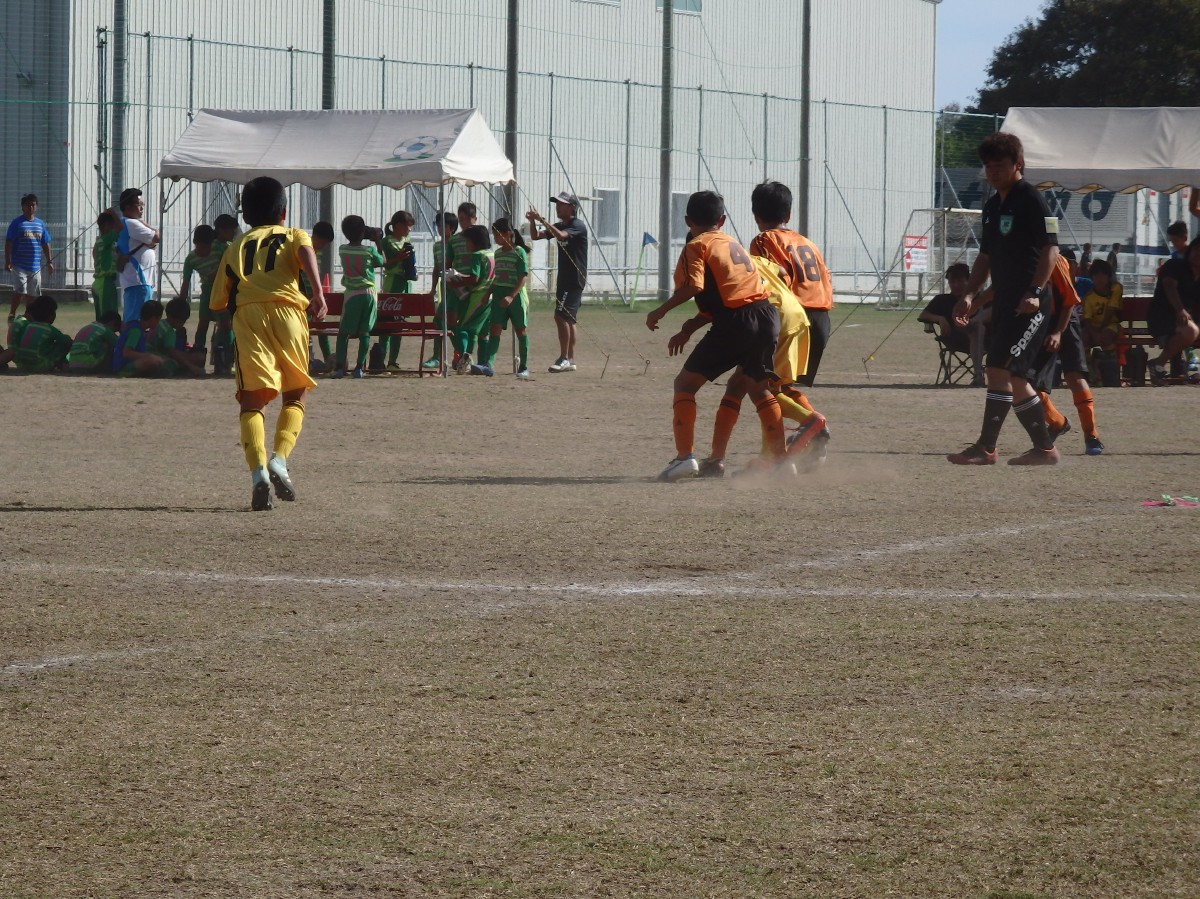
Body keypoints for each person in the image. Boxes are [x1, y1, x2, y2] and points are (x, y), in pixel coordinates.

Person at [645, 190, 786, 481]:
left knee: (685, 384)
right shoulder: (732, 242)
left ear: (687, 221)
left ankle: (684, 458)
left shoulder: (697, 245)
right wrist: (688, 328)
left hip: (737, 322)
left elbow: (693, 287)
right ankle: (779, 461)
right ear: (722, 220)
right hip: (766, 315)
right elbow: (728, 297)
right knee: (757, 389)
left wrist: (659, 311)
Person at [209, 175, 327, 511]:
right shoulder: (293, 234)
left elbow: (218, 302)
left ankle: (258, 472)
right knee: (296, 393)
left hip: (249, 316)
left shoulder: (236, 246)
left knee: (252, 401)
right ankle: (280, 460)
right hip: (289, 312)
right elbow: (305, 250)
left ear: (245, 216)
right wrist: (317, 292)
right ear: (283, 213)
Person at [947, 132, 1060, 466]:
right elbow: (985, 257)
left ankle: (986, 447)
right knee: (1015, 378)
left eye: (999, 165)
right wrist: (971, 295)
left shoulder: (1032, 199)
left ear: (1018, 164)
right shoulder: (993, 206)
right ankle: (1045, 449)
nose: (992, 171)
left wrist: (1035, 292)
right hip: (1006, 301)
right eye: (988, 166)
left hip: (1031, 304)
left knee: (998, 368)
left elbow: (1051, 250)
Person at [696, 254, 819, 478]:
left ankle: (810, 421)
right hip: (793, 312)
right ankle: (765, 459)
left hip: (769, 318)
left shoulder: (717, 264)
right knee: (748, 386)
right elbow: (783, 271)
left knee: (760, 390)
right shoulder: (749, 257)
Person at [748, 181, 835, 413]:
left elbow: (774, 281)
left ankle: (811, 422)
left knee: (764, 387)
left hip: (794, 319)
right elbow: (827, 279)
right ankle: (812, 424)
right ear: (788, 215)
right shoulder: (809, 244)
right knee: (783, 385)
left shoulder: (763, 241)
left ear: (756, 216)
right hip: (821, 319)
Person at [1035, 254, 1104, 456]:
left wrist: (1058, 332)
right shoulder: (1022, 258)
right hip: (1038, 322)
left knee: (1075, 376)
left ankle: (1091, 436)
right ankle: (1058, 423)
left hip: (1065, 319)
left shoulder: (1054, 259)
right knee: (1028, 385)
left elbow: (1069, 299)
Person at [528, 191, 588, 373]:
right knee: (569, 319)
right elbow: (536, 236)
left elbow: (561, 236)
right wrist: (533, 221)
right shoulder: (559, 225)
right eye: (557, 203)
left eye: (562, 204)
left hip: (574, 279)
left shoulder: (577, 226)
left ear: (572, 207)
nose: (558, 207)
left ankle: (564, 358)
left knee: (560, 316)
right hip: (564, 278)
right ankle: (571, 360)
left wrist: (542, 219)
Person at [471, 217, 531, 379]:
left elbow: (522, 277)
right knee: (494, 329)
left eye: (498, 234)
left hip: (515, 296)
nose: (495, 238)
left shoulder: (519, 252)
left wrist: (511, 296)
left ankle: (524, 367)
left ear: (507, 234)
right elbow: (497, 278)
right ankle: (488, 365)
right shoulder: (497, 254)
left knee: (520, 330)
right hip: (498, 295)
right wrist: (487, 294)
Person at [919, 261, 989, 387]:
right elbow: (923, 315)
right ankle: (978, 374)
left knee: (978, 327)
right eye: (952, 282)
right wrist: (940, 318)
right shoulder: (942, 300)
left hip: (988, 339)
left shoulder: (982, 298)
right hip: (955, 339)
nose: (956, 285)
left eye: (960, 281)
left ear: (969, 281)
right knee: (978, 329)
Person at [333, 215, 385, 379]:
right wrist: (377, 241)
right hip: (368, 294)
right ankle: (359, 368)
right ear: (363, 232)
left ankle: (339, 367)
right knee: (364, 332)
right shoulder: (369, 251)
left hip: (351, 294)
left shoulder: (342, 249)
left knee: (343, 333)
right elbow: (382, 261)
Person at [1146, 235, 1200, 385]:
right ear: (1190, 251)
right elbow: (1169, 286)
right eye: (1196, 249)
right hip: (1162, 318)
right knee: (1191, 331)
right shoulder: (1174, 265)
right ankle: (1158, 364)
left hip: (1184, 321)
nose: (1198, 253)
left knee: (1192, 329)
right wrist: (1180, 310)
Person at [448, 224, 494, 373]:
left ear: (475, 242)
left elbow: (474, 278)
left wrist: (456, 280)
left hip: (478, 297)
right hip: (491, 296)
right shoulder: (491, 254)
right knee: (481, 332)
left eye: (467, 241)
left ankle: (464, 357)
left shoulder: (477, 255)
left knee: (463, 328)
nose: (466, 245)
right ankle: (483, 363)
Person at [377, 210, 417, 371]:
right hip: (392, 285)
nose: (410, 230)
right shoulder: (386, 241)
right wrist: (397, 258)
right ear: (398, 226)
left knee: (399, 325)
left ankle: (393, 361)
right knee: (386, 325)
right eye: (408, 226)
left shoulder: (407, 240)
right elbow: (384, 263)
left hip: (405, 285)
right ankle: (380, 360)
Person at [5, 194, 54, 323]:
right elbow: (9, 242)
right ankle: (12, 313)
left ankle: (28, 317)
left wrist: (49, 261)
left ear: (36, 207)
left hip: (35, 266)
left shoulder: (40, 224)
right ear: (23, 207)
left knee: (33, 294)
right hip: (19, 265)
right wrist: (7, 261)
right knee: (20, 290)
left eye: (33, 205)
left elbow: (45, 243)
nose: (31, 207)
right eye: (28, 205)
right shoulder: (17, 223)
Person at [114, 187, 159, 326]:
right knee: (136, 321)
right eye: (138, 205)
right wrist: (145, 224)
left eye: (142, 205)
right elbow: (156, 237)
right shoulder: (131, 223)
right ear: (127, 207)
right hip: (139, 281)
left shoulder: (125, 224)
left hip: (138, 282)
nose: (141, 208)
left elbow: (151, 244)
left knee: (136, 319)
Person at [422, 211, 459, 371]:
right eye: (437, 225)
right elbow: (436, 268)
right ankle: (442, 356)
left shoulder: (457, 244)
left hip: (457, 287)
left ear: (452, 228)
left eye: (443, 225)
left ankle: (459, 353)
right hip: (444, 288)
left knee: (447, 321)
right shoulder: (437, 246)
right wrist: (432, 289)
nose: (439, 228)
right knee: (441, 321)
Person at [181, 224, 221, 359]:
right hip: (207, 292)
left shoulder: (219, 250)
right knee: (203, 322)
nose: (204, 250)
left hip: (222, 291)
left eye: (207, 247)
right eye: (201, 247)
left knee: (224, 323)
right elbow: (186, 282)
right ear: (194, 243)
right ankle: (198, 350)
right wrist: (181, 303)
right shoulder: (191, 259)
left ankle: (223, 352)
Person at [209, 213, 240, 373]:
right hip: (219, 291)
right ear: (221, 230)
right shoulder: (215, 246)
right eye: (231, 229)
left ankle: (225, 360)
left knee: (227, 325)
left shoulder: (228, 245)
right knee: (225, 325)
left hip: (227, 291)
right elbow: (216, 270)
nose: (234, 232)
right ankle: (223, 360)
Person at [7, 295, 71, 372]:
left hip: (21, 363)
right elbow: (66, 341)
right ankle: (63, 363)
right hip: (38, 365)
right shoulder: (48, 329)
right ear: (51, 315)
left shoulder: (27, 325)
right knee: (62, 345)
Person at [112, 300, 169, 376]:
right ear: (153, 318)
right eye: (158, 319)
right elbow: (126, 353)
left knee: (161, 359)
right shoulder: (136, 331)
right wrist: (147, 356)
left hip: (131, 363)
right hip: (123, 367)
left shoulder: (139, 328)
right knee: (152, 360)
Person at [1080, 259, 1123, 354]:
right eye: (1096, 275)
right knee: (1084, 336)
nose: (1100, 278)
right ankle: (1086, 360)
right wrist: (1094, 333)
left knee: (1106, 336)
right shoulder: (1089, 297)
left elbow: (1111, 310)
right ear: (1092, 277)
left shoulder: (1115, 288)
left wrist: (1099, 331)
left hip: (1111, 325)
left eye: (1104, 274)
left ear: (1109, 277)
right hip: (1093, 327)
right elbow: (1086, 319)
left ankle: (1108, 358)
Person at [91, 211, 120, 322]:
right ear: (107, 225)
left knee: (101, 317)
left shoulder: (99, 241)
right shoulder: (107, 239)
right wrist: (113, 213)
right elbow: (120, 228)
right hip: (105, 282)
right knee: (108, 318)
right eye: (112, 225)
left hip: (99, 282)